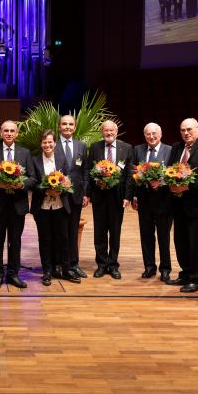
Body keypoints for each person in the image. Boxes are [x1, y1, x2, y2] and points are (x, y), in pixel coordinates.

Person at [0, 120, 36, 290]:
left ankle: (13, 274)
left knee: (16, 241)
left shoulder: (25, 153)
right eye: (6, 130)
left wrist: (22, 184)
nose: (9, 133)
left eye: (12, 130)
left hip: (17, 205)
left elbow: (33, 178)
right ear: (1, 132)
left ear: (17, 133)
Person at [167, 118, 198, 293]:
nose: (186, 133)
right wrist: (170, 183)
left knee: (195, 243)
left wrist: (188, 185)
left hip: (196, 205)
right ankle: (185, 273)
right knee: (179, 241)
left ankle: (197, 279)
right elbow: (169, 170)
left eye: (189, 129)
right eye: (182, 130)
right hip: (177, 203)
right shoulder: (176, 147)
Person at [31, 130, 81, 286]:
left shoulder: (62, 159)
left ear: (55, 143)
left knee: (64, 238)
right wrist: (46, 190)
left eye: (50, 142)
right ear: (41, 144)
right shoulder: (35, 161)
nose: (47, 145)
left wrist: (62, 188)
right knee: (45, 239)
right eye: (44, 142)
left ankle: (66, 269)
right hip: (43, 206)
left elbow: (68, 179)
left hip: (60, 205)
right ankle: (47, 270)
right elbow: (32, 183)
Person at [87, 120, 133, 279]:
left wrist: (127, 196)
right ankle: (101, 264)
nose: (109, 133)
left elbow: (129, 175)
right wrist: (93, 185)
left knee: (115, 232)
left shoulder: (126, 148)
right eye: (106, 131)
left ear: (117, 131)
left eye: (112, 130)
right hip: (99, 196)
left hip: (117, 198)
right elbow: (89, 171)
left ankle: (113, 265)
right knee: (99, 232)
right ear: (102, 132)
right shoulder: (95, 148)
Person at [130, 123, 173, 282]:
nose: (152, 136)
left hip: (164, 201)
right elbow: (133, 174)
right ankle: (149, 267)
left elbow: (173, 174)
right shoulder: (138, 150)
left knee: (163, 236)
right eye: (148, 134)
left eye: (154, 133)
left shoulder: (170, 150)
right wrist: (134, 196)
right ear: (145, 135)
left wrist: (161, 182)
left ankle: (165, 269)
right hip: (144, 201)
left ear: (160, 135)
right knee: (146, 235)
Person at [53, 114, 89, 278]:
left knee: (73, 231)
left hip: (76, 197)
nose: (67, 127)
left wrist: (86, 193)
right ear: (59, 126)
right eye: (64, 124)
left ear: (74, 127)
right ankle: (59, 264)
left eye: (70, 124)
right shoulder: (52, 144)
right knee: (59, 232)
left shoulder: (81, 145)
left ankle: (74, 264)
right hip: (58, 196)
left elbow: (85, 171)